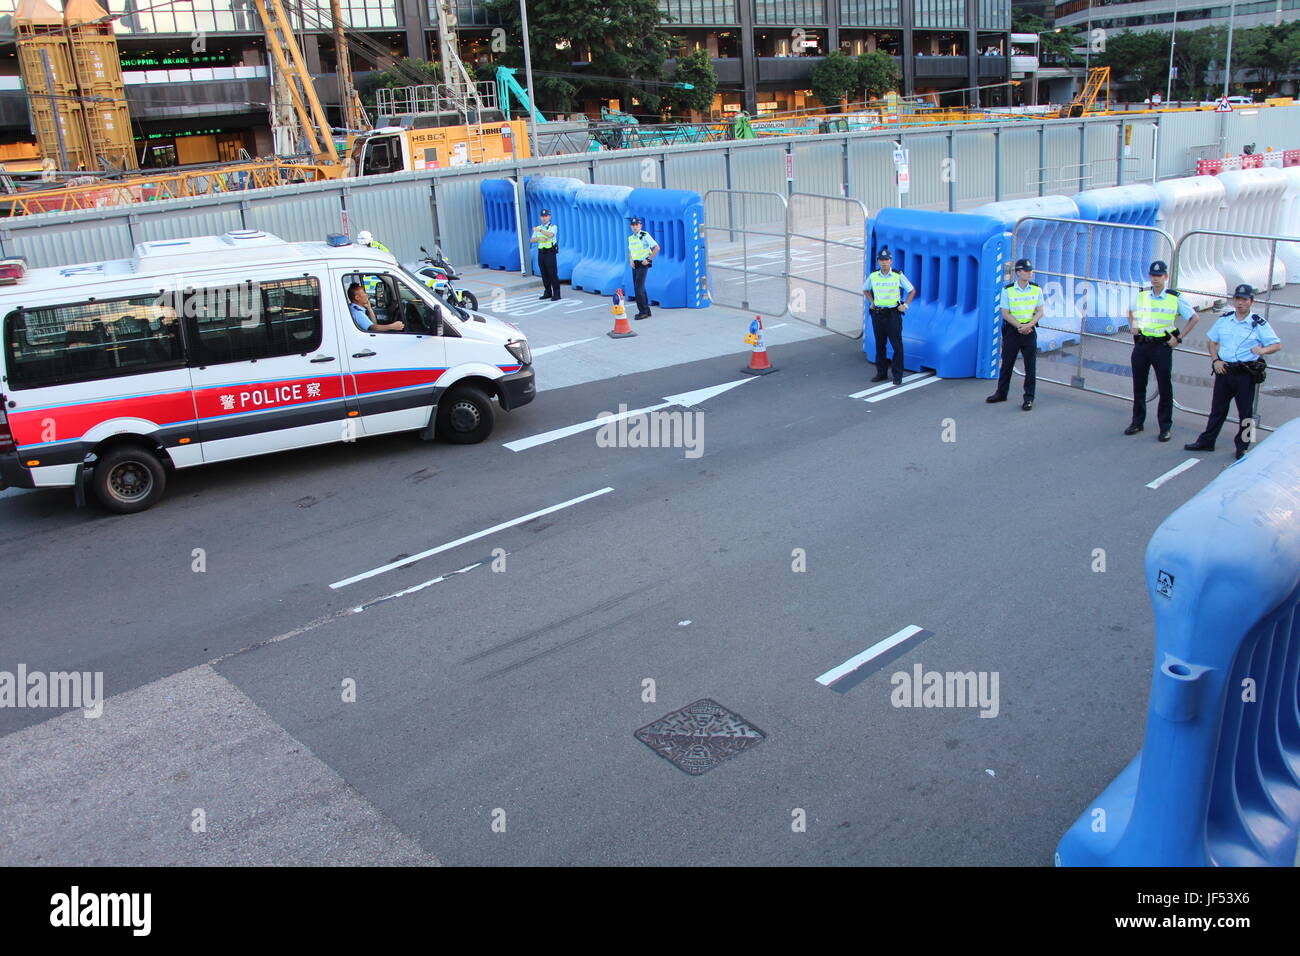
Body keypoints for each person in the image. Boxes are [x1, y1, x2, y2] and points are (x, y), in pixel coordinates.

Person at [1185, 284, 1282, 460]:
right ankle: (1207, 441)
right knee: (1217, 409)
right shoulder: (1224, 320)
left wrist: (1262, 351)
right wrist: (1215, 361)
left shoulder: (1258, 323)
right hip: (1225, 371)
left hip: (1245, 373)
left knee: (1246, 412)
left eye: (1245, 299)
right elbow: (1212, 342)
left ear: (1251, 301)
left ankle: (1244, 446)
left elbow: (1276, 345)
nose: (1240, 303)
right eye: (1237, 299)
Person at [1124, 260, 1197, 442]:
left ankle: (1165, 427)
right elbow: (1130, 311)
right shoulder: (1142, 295)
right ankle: (1137, 421)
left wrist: (1178, 338)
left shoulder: (1174, 297)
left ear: (1165, 277)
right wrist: (1133, 324)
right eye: (1153, 276)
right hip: (1142, 344)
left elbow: (1194, 318)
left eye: (1159, 276)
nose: (1155, 279)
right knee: (1139, 385)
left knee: (1165, 387)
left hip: (1161, 347)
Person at [986, 258, 1043, 411]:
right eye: (1026, 270)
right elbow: (1005, 313)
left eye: (1030, 270)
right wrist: (1019, 326)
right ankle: (1001, 393)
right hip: (1013, 330)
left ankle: (1029, 398)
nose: (1029, 273)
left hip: (1029, 330)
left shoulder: (1036, 289)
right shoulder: (1008, 290)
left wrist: (1029, 325)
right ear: (1018, 272)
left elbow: (1040, 311)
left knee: (1030, 367)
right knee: (1007, 364)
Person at [864, 247, 915, 385]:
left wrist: (905, 305)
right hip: (878, 314)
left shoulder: (898, 275)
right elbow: (866, 289)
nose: (884, 262)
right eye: (881, 260)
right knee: (880, 345)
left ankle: (897, 375)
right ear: (878, 261)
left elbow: (911, 290)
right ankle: (881, 373)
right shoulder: (874, 275)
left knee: (897, 345)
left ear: (891, 261)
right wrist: (872, 302)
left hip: (893, 314)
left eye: (886, 260)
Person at [627, 217, 659, 320]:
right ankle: (647, 310)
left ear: (640, 225)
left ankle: (643, 311)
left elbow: (656, 248)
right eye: (633, 225)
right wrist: (631, 260)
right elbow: (630, 251)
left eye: (637, 225)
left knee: (638, 288)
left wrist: (648, 259)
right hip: (635, 264)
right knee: (641, 287)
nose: (635, 227)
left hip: (643, 263)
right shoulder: (631, 238)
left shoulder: (644, 235)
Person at [531, 209, 560, 301]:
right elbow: (532, 240)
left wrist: (540, 231)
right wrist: (539, 237)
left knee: (552, 273)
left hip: (550, 253)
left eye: (546, 216)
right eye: (542, 216)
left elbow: (551, 235)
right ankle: (547, 292)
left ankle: (556, 293)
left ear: (549, 217)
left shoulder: (553, 226)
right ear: (540, 217)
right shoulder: (538, 228)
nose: (544, 218)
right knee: (544, 273)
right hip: (541, 253)